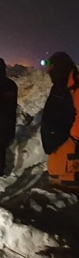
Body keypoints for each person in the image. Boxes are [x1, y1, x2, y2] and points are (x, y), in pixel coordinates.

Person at [40, 52, 79, 186]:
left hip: (68, 149)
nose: (49, 72)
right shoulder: (60, 86)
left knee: (67, 187)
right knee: (57, 181)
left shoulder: (74, 86)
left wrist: (72, 139)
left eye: (52, 67)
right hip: (57, 147)